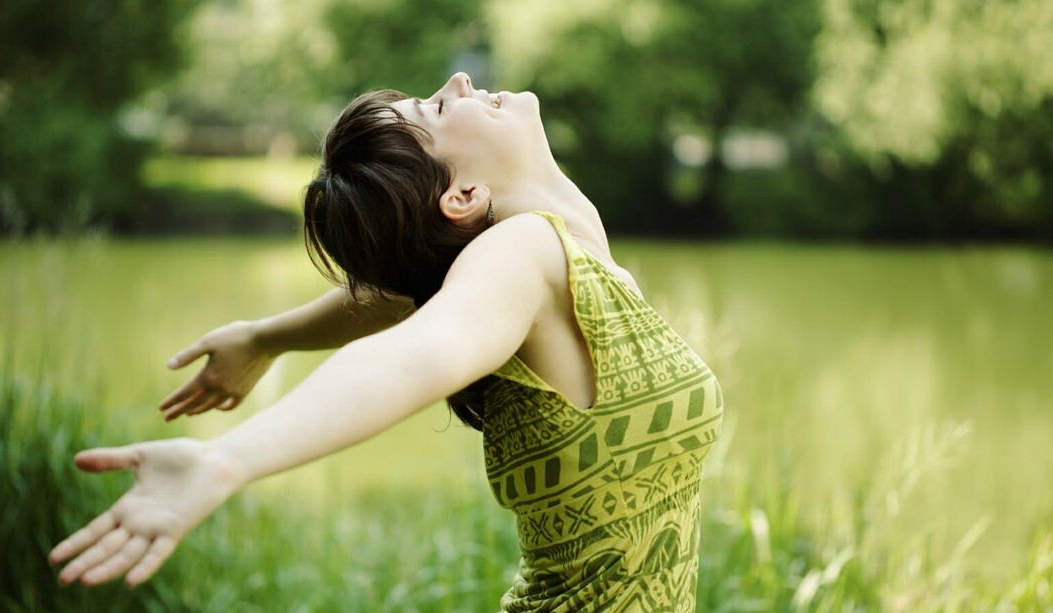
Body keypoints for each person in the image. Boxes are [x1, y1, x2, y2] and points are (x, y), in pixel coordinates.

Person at [49, 72, 724, 612]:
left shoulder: (566, 245)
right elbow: (422, 346)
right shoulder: (524, 253)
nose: (460, 81)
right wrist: (226, 459)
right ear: (463, 193)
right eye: (435, 108)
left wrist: (265, 336)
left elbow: (399, 296)